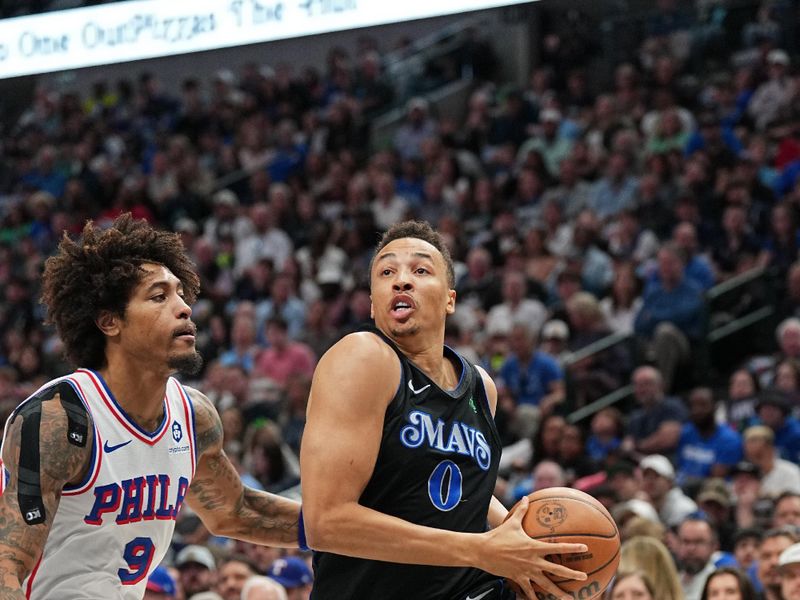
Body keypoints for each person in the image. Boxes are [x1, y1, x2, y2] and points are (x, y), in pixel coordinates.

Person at [0, 214, 300, 598]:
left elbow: (236, 511)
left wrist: (335, 527)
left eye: (180, 293)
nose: (184, 308)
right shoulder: (60, 418)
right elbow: (8, 563)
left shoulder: (193, 415)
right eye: (159, 296)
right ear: (110, 322)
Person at [300, 221, 589, 599]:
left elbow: (461, 490)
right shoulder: (363, 358)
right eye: (387, 272)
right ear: (372, 305)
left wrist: (532, 547)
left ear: (450, 299)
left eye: (420, 270)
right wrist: (481, 550)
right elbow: (326, 522)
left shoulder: (481, 387)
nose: (401, 281)